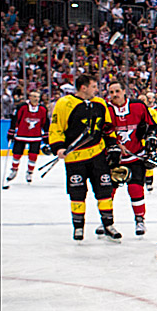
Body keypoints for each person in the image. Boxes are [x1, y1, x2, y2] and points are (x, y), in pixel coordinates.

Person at [48, 74, 121, 241]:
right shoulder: (65, 104)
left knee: (105, 191)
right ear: (84, 87)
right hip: (75, 158)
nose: (97, 90)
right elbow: (56, 127)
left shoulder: (100, 103)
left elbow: (108, 127)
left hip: (97, 156)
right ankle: (78, 227)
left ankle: (108, 224)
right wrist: (58, 147)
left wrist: (113, 146)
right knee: (77, 193)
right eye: (94, 86)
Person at [105, 80, 157, 236]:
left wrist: (151, 139)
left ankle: (140, 220)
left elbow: (152, 126)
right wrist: (114, 144)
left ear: (123, 91)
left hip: (136, 157)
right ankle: (107, 221)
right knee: (109, 191)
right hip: (114, 159)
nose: (114, 95)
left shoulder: (138, 106)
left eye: (117, 91)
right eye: (111, 92)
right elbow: (103, 132)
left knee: (135, 188)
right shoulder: (106, 110)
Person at [4, 90, 49, 185]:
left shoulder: (42, 109)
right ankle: (14, 170)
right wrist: (11, 131)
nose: (36, 99)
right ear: (29, 97)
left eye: (37, 97)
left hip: (36, 136)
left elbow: (45, 122)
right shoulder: (22, 107)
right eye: (34, 97)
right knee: (16, 154)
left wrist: (46, 134)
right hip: (21, 134)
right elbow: (15, 119)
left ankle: (29, 173)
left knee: (33, 156)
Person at [143, 91, 157, 191]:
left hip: (151, 138)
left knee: (150, 158)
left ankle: (149, 181)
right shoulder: (139, 110)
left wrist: (156, 131)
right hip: (139, 139)